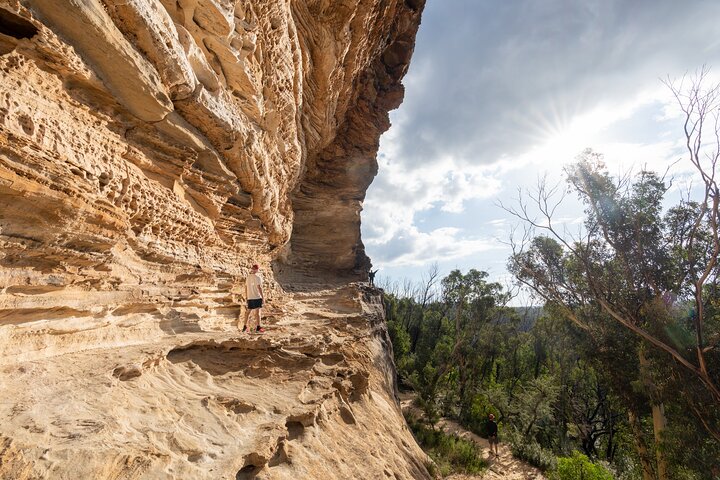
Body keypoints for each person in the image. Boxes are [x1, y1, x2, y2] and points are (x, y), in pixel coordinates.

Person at [240, 264, 264, 333]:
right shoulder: (258, 278)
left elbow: (246, 287)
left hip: (250, 297)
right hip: (257, 297)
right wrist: (263, 297)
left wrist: (247, 297)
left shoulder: (248, 277)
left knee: (248, 312)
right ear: (257, 269)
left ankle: (244, 327)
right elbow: (259, 288)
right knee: (258, 313)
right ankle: (258, 328)